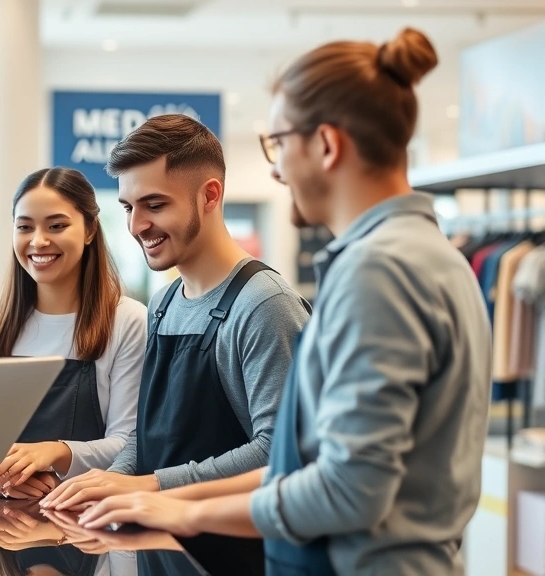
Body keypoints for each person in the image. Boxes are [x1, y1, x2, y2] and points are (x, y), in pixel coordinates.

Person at [76, 28, 492, 576]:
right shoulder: (428, 256)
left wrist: (172, 505)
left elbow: (346, 490)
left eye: (277, 144)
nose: (273, 169)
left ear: (325, 144)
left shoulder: (379, 269)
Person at [40, 115, 311, 576]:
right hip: (160, 556)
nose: (136, 225)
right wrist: (111, 481)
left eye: (154, 204)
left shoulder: (265, 305)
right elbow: (148, 438)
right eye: (127, 207)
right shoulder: (164, 303)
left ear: (210, 195)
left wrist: (148, 487)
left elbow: (279, 453)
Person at [0, 167, 146, 500]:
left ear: (89, 230)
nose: (38, 241)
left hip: (93, 523)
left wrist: (56, 452)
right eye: (25, 227)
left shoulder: (128, 321)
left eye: (57, 226)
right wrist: (3, 475)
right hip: (8, 525)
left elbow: (129, 444)